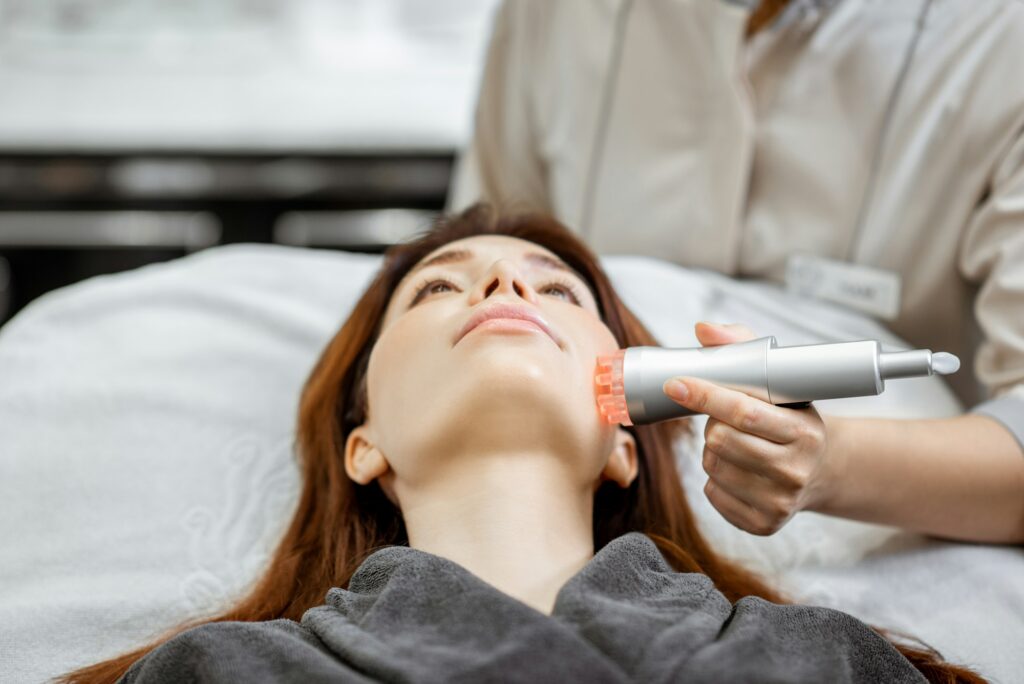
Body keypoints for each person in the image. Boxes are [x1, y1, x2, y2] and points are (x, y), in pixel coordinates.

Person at [62, 206, 983, 683]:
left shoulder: (829, 661)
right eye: (434, 290)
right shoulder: (219, 678)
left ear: (627, 437)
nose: (504, 279)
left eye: (559, 293)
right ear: (364, 443)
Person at [448, 0, 1024, 543]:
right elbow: (485, 242)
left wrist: (829, 465)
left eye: (550, 285)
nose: (504, 286)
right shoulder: (550, 18)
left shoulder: (999, 42)